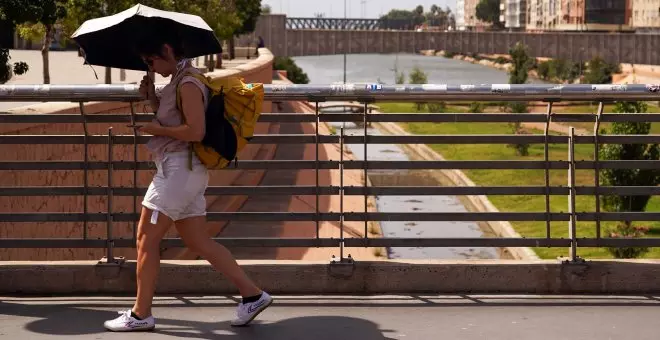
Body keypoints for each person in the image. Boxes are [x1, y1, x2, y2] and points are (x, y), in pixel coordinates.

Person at [103, 31, 272, 332]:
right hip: (186, 171)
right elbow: (177, 121)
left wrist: (155, 128)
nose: (151, 66)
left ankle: (141, 314)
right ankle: (253, 295)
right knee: (198, 241)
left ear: (167, 49)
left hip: (178, 172)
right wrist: (153, 98)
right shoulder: (179, 81)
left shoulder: (189, 83)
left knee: (145, 239)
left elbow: (195, 131)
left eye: (151, 59)